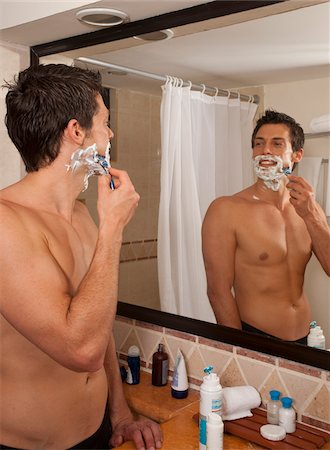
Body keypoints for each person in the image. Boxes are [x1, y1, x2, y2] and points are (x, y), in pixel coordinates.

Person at [0, 64, 163, 450]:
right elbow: (81, 350)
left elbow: (97, 325)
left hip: (97, 433)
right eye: (105, 123)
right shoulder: (6, 223)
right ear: (77, 131)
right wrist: (113, 229)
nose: (110, 134)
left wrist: (120, 415)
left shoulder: (80, 213)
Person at [202, 110, 330, 343]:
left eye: (277, 144)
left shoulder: (310, 209)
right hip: (256, 336)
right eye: (259, 144)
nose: (266, 150)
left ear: (297, 155)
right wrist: (240, 350)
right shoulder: (226, 210)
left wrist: (311, 216)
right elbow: (218, 292)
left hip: (307, 338)